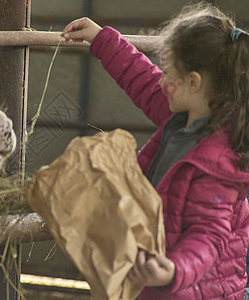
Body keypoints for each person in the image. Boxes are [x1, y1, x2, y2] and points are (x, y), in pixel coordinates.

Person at [61, 3, 249, 299]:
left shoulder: (217, 162)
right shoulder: (183, 117)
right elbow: (142, 79)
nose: (162, 81)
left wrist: (173, 270)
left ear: (193, 82)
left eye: (169, 73)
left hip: (194, 290)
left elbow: (210, 237)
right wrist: (101, 39)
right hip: (158, 280)